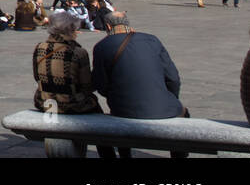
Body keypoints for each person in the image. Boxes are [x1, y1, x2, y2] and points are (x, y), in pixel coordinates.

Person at [92, 10, 185, 150]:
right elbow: (173, 78)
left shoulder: (101, 46)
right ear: (127, 23)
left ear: (108, 27)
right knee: (184, 114)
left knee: (117, 122)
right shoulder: (152, 40)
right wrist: (170, 98)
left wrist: (115, 96)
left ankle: (125, 154)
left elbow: (101, 84)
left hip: (122, 109)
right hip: (164, 107)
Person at [32, 10, 118, 158]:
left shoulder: (39, 48)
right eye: (75, 29)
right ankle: (107, 154)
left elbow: (36, 76)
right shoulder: (78, 52)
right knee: (97, 111)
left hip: (45, 101)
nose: (77, 33)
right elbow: (86, 85)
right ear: (69, 30)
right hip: (72, 103)